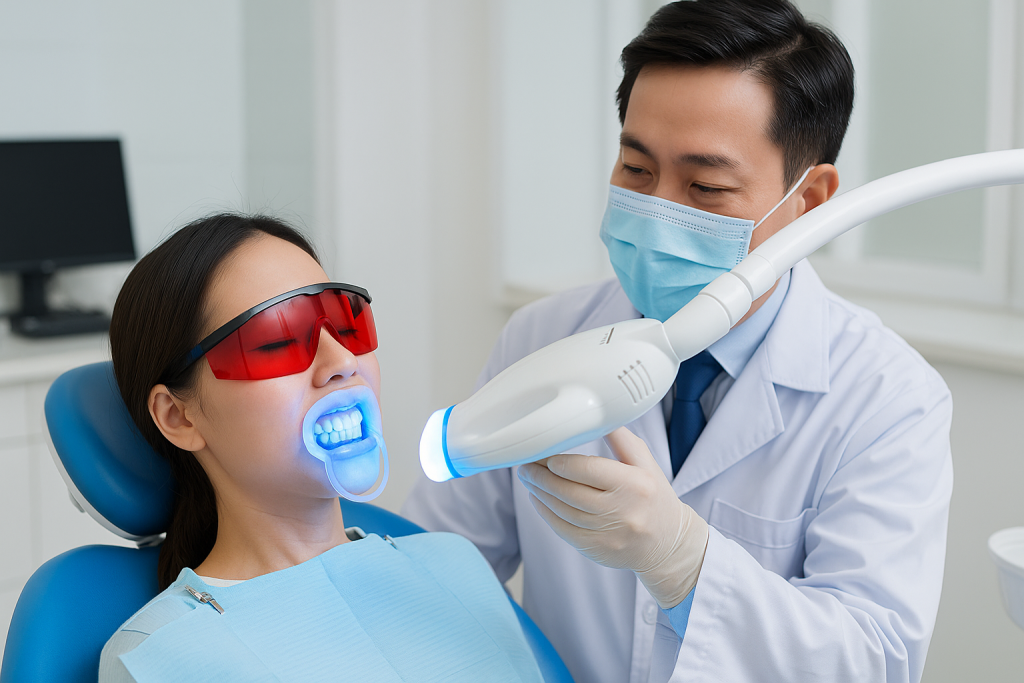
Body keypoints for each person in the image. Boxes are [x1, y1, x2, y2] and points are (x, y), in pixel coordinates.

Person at [402, 1, 953, 682]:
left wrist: (685, 561)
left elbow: (874, 660)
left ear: (810, 202)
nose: (658, 211)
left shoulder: (887, 397)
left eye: (706, 186)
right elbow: (433, 566)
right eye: (636, 171)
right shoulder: (541, 337)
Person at [99, 214, 544, 682]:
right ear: (179, 416)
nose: (342, 362)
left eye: (348, 325)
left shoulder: (453, 565)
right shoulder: (158, 657)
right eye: (275, 339)